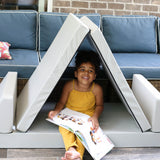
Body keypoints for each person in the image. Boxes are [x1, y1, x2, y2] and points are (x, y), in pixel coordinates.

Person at [48, 50, 104, 160]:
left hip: (86, 116)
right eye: (82, 69)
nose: (86, 73)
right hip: (69, 114)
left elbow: (99, 106)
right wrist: (56, 111)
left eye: (90, 71)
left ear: (95, 76)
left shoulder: (97, 89)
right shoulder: (69, 86)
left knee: (83, 133)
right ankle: (72, 149)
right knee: (64, 129)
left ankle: (77, 156)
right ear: (76, 73)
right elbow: (61, 102)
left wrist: (95, 117)